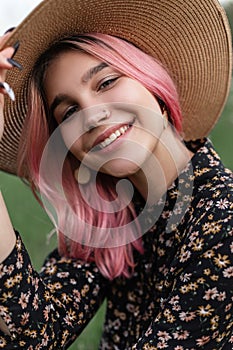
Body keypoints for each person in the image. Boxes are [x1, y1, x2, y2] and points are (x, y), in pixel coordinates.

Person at [0, 0, 232, 348]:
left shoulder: (223, 221)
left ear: (153, 80)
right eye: (69, 112)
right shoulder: (116, 220)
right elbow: (32, 333)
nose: (91, 116)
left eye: (107, 82)